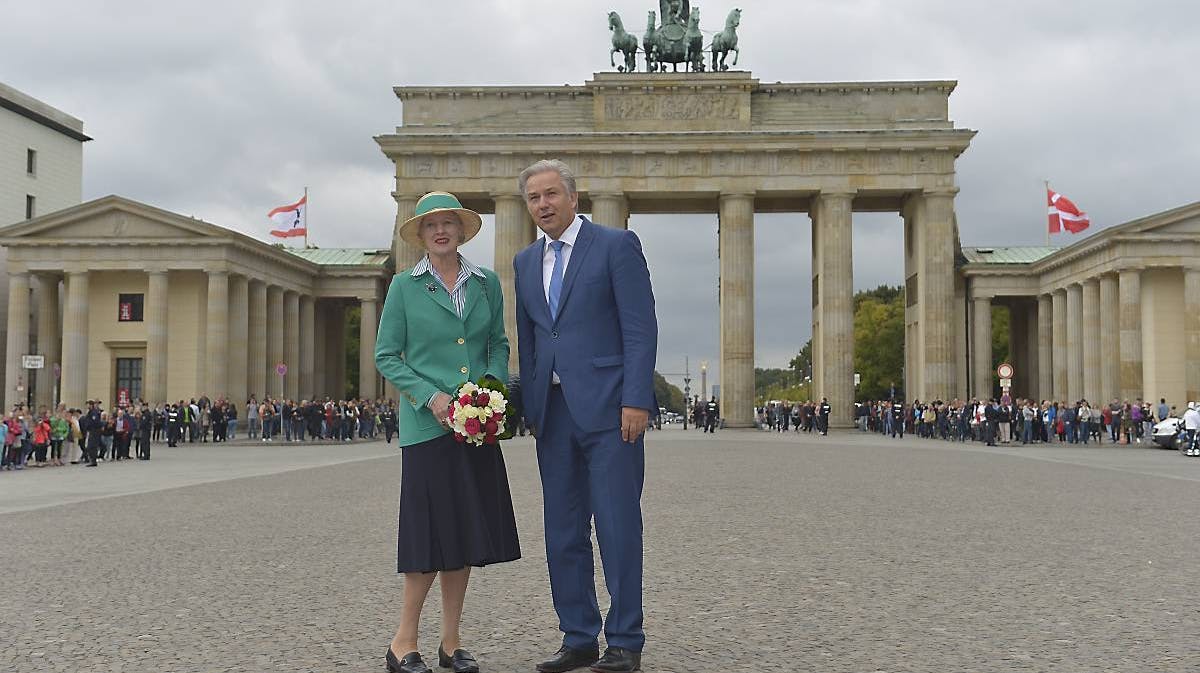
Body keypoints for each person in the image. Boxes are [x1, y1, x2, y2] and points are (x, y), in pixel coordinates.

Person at [514, 160, 657, 673]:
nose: (544, 204)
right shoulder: (525, 261)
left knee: (617, 527)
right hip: (553, 415)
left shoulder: (617, 246)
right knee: (562, 532)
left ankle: (624, 639)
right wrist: (529, 406)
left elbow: (640, 328)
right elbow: (530, 341)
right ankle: (578, 635)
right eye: (534, 197)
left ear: (574, 198)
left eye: (552, 194)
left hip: (611, 411)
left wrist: (637, 399)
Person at [375, 191, 520, 673]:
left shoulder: (485, 283)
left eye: (448, 223)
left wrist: (491, 390)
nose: (440, 231)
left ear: (461, 230)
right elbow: (387, 356)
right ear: (420, 235)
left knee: (464, 539)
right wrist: (430, 396)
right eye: (431, 225)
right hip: (426, 426)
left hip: (476, 426)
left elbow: (497, 343)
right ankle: (403, 641)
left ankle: (452, 642)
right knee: (428, 539)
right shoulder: (403, 287)